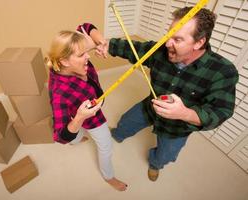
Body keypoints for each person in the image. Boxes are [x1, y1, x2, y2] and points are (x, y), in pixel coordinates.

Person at [91, 7, 239, 181]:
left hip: (177, 128)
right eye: (169, 35)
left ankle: (155, 165)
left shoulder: (223, 71)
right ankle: (117, 135)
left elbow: (221, 112)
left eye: (177, 39)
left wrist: (184, 113)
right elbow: (134, 48)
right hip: (150, 106)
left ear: (199, 42)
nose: (168, 43)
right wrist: (107, 45)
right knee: (126, 122)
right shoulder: (163, 50)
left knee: (165, 155)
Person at [47, 23, 127, 191]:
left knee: (76, 135)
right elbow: (60, 137)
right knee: (105, 146)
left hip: (85, 108)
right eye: (82, 54)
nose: (88, 57)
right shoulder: (59, 92)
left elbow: (85, 25)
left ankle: (76, 139)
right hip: (91, 118)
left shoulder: (68, 61)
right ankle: (108, 176)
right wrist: (80, 117)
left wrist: (100, 41)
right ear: (64, 61)